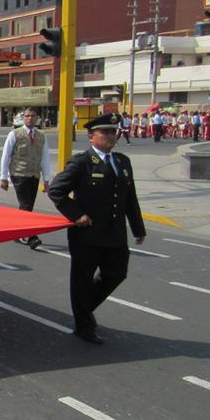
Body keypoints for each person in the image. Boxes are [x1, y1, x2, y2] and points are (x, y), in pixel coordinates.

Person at [47, 113, 146, 344]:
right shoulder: (81, 163)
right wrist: (76, 215)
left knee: (117, 273)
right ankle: (83, 325)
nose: (112, 136)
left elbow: (130, 198)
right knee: (82, 280)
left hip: (115, 233)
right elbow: (56, 191)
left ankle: (83, 309)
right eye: (106, 132)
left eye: (114, 131)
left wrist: (138, 228)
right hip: (87, 235)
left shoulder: (122, 162)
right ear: (92, 137)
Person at [0, 107, 54, 249]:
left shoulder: (41, 136)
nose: (30, 118)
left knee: (27, 205)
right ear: (23, 118)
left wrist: (46, 179)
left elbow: (45, 158)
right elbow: (5, 156)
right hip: (19, 174)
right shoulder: (15, 134)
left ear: (37, 118)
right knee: (26, 205)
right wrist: (3, 177)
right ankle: (31, 236)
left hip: (34, 174)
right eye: (27, 116)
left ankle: (18, 232)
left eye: (33, 116)